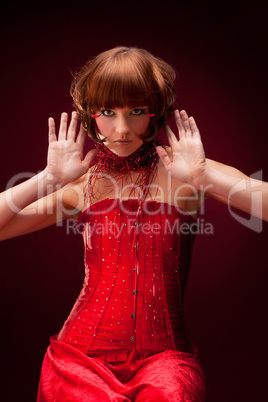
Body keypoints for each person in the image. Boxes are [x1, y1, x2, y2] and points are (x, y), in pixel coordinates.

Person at [0, 46, 267, 401]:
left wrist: (206, 178)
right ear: (91, 114)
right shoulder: (83, 185)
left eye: (136, 111)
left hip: (165, 361)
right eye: (108, 112)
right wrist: (47, 179)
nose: (122, 129)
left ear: (156, 112)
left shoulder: (185, 172)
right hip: (78, 360)